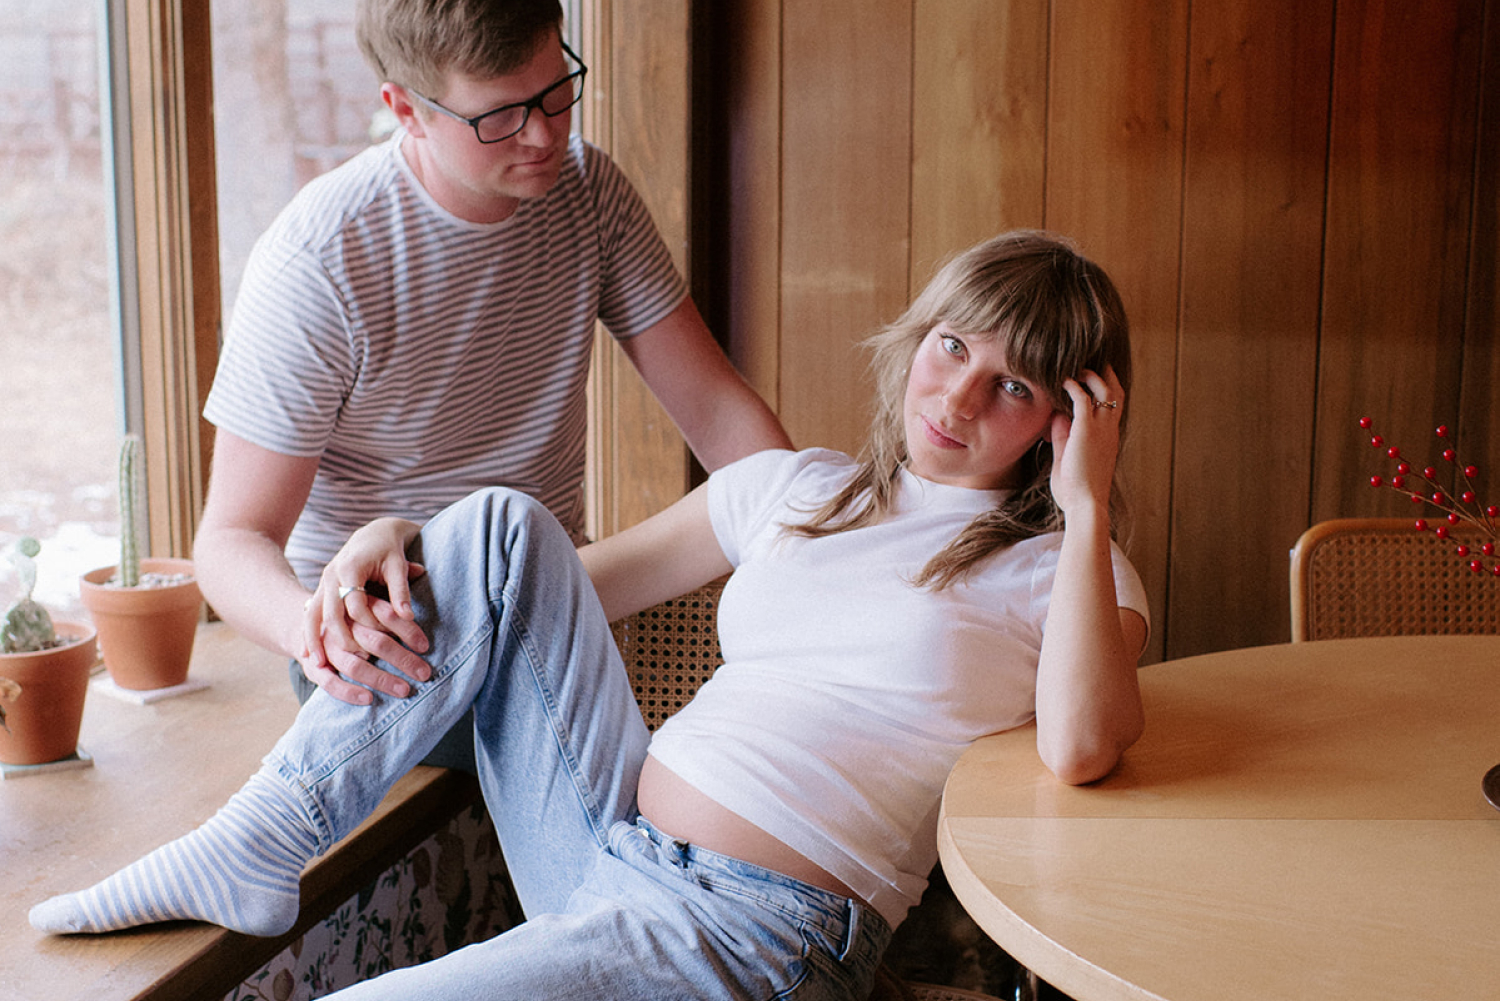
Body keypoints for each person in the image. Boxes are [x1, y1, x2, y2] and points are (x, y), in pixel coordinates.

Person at [33, 231, 1149, 1001]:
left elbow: (1082, 744)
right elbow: (545, 576)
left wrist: (1087, 503)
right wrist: (406, 537)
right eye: (953, 346)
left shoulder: (1066, 569)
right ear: (918, 337)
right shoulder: (795, 485)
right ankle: (263, 836)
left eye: (1012, 386)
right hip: (605, 843)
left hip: (758, 935)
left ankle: (255, 845)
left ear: (1065, 421)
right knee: (501, 521)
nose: (956, 396)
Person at [193, 0, 791, 751]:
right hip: (397, 642)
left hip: (558, 603)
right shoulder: (323, 260)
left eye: (554, 92)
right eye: (500, 116)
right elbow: (230, 540)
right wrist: (319, 633)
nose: (544, 134)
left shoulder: (589, 192)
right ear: (405, 109)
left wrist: (808, 542)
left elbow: (718, 412)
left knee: (776, 519)